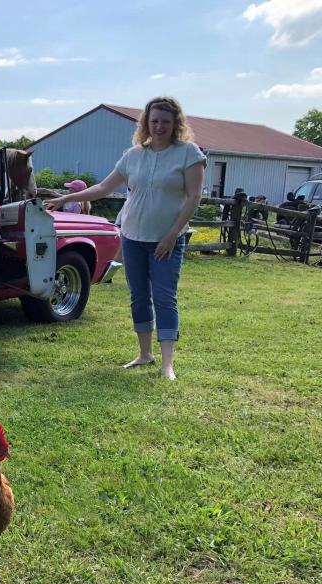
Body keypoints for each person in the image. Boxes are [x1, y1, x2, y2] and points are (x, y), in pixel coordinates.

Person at [45, 96, 206, 380]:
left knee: (165, 297)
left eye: (165, 122)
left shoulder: (188, 153)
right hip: (132, 236)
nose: (159, 127)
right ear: (146, 123)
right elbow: (104, 187)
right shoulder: (133, 155)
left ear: (175, 124)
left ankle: (167, 363)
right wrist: (68, 197)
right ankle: (144, 354)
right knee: (139, 296)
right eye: (154, 121)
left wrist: (171, 236)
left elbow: (194, 198)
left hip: (167, 239)